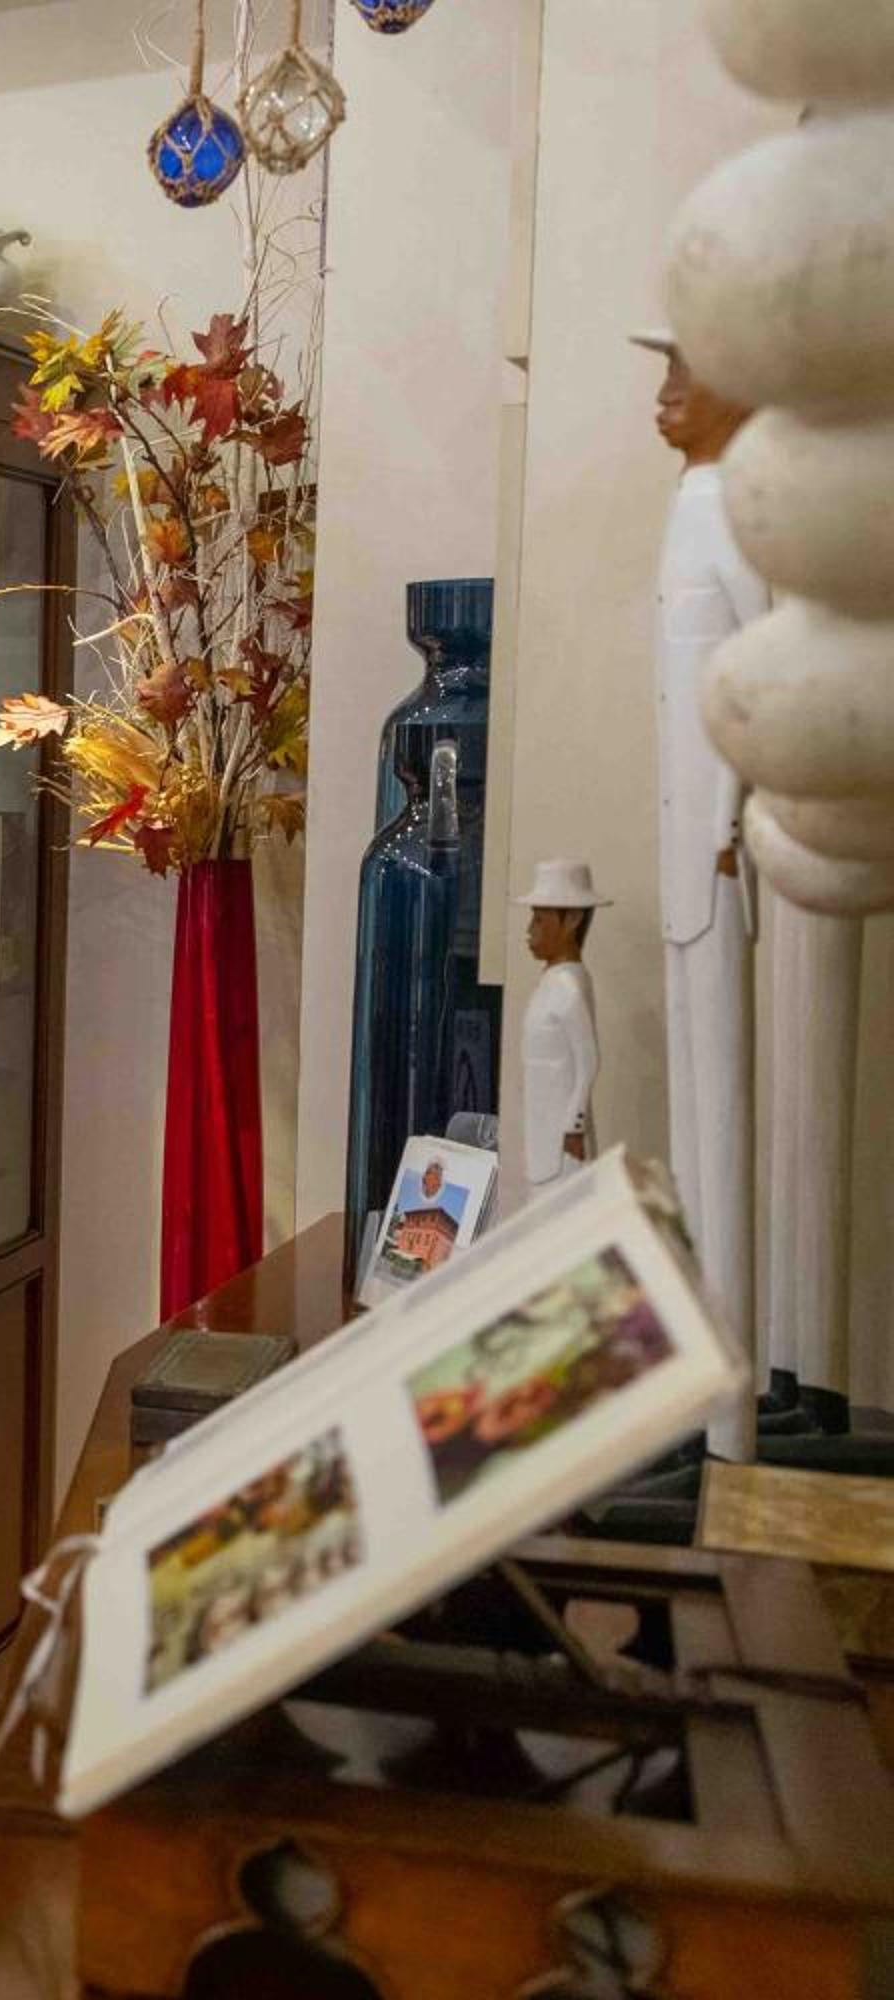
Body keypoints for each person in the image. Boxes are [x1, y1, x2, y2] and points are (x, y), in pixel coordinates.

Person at [635, 330, 762, 1455]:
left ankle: (736, 1429)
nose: (666, 393)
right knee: (688, 1125)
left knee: (724, 1119)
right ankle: (701, 1402)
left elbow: (772, 674)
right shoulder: (689, 506)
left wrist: (732, 824)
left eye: (684, 370)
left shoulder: (738, 514)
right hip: (682, 852)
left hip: (720, 860)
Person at [514, 857, 607, 1193]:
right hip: (541, 1127)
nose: (530, 930)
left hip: (563, 1138)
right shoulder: (551, 982)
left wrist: (574, 1126)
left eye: (540, 920)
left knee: (563, 1203)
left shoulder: (569, 986)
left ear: (572, 920)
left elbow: (588, 1060)